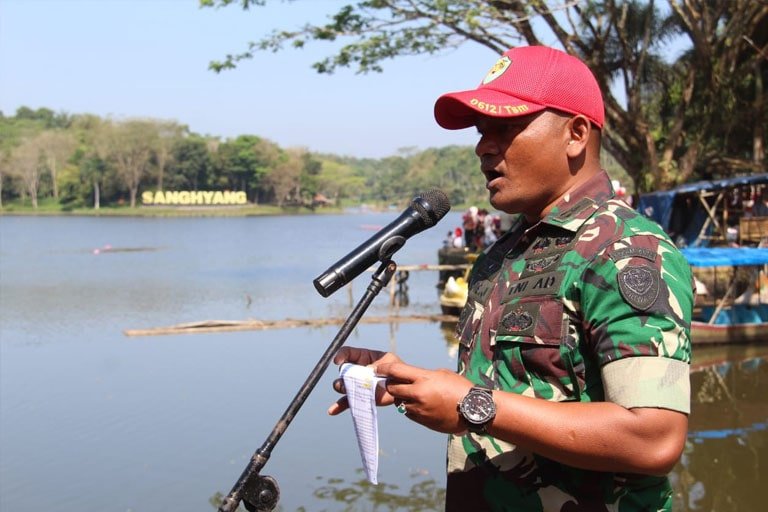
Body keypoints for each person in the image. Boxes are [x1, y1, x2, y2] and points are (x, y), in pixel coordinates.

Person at [328, 45, 694, 512]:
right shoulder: (504, 253)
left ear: (576, 134)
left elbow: (654, 438)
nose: (484, 147)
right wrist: (415, 383)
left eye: (505, 127)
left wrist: (469, 405)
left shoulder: (626, 250)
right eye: (482, 132)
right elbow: (502, 387)